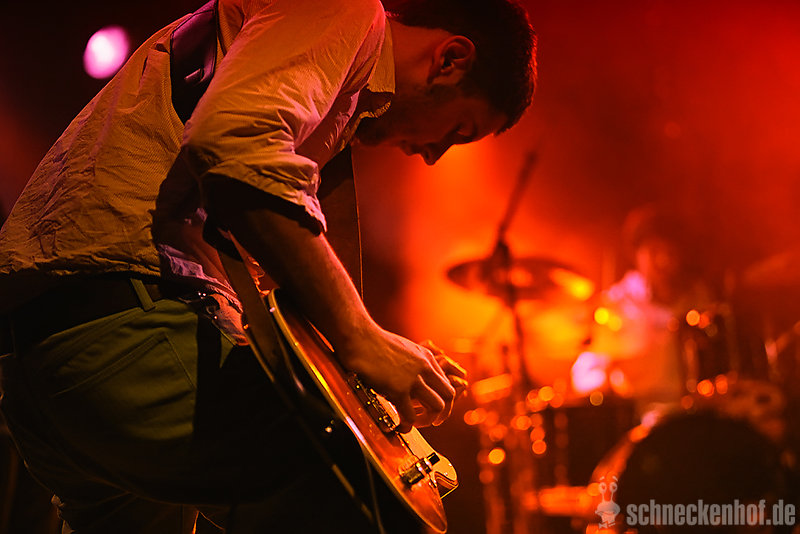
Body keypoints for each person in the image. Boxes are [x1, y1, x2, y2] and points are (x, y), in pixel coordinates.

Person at [0, 0, 538, 532]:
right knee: (368, 503)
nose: (435, 155)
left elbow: (265, 266)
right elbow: (234, 146)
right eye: (459, 130)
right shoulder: (342, 11)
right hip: (130, 333)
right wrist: (361, 337)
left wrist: (376, 360)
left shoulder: (311, 86)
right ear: (450, 60)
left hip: (52, 349)